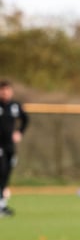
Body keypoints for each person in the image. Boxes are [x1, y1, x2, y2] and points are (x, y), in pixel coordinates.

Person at [0, 80, 28, 217]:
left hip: (10, 146)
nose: (5, 92)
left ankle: (2, 205)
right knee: (1, 171)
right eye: (2, 90)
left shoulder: (15, 106)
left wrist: (19, 132)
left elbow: (26, 119)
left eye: (7, 90)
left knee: (6, 174)